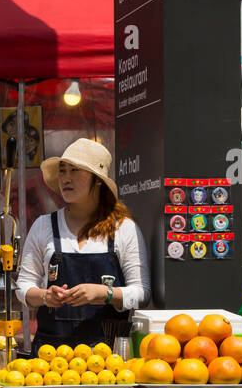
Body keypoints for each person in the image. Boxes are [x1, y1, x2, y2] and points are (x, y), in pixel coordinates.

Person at [17, 138, 150, 351]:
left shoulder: (123, 228)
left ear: (98, 180)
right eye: (62, 171)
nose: (66, 178)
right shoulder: (44, 226)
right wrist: (45, 296)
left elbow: (142, 293)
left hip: (109, 358)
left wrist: (104, 294)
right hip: (51, 358)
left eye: (75, 170)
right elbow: (23, 287)